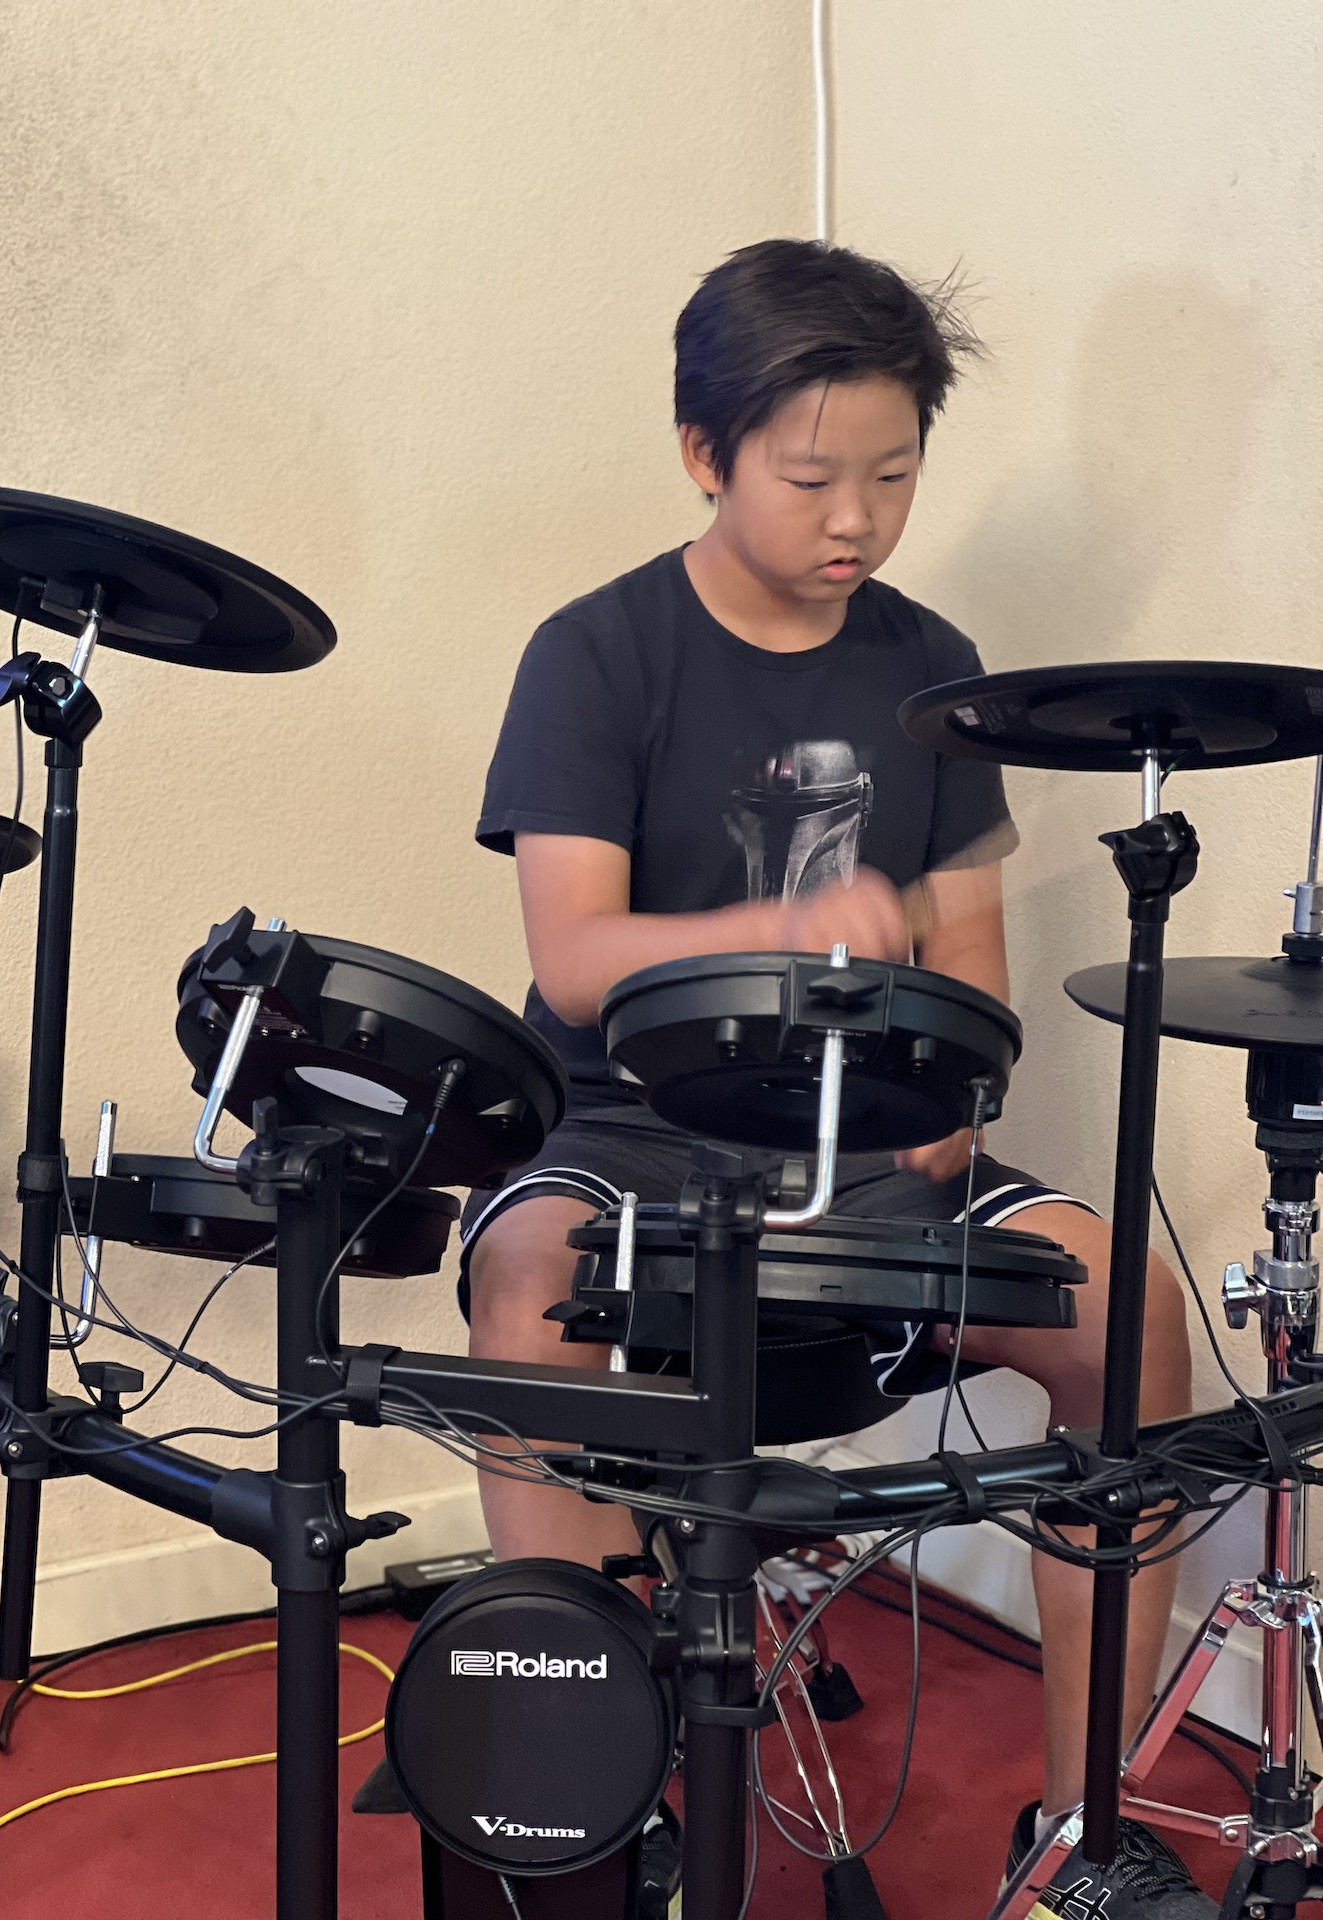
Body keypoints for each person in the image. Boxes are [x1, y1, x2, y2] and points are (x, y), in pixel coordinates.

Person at [461, 239, 1208, 1917]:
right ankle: (589, 1805)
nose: (856, 519)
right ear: (704, 453)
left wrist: (953, 1102)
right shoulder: (597, 652)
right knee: (525, 1276)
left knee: (1131, 1306)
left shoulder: (933, 666)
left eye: (894, 473)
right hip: (632, 1135)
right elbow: (574, 958)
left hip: (869, 1151)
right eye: (811, 480)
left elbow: (975, 976)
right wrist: (791, 926)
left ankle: (1083, 1827)